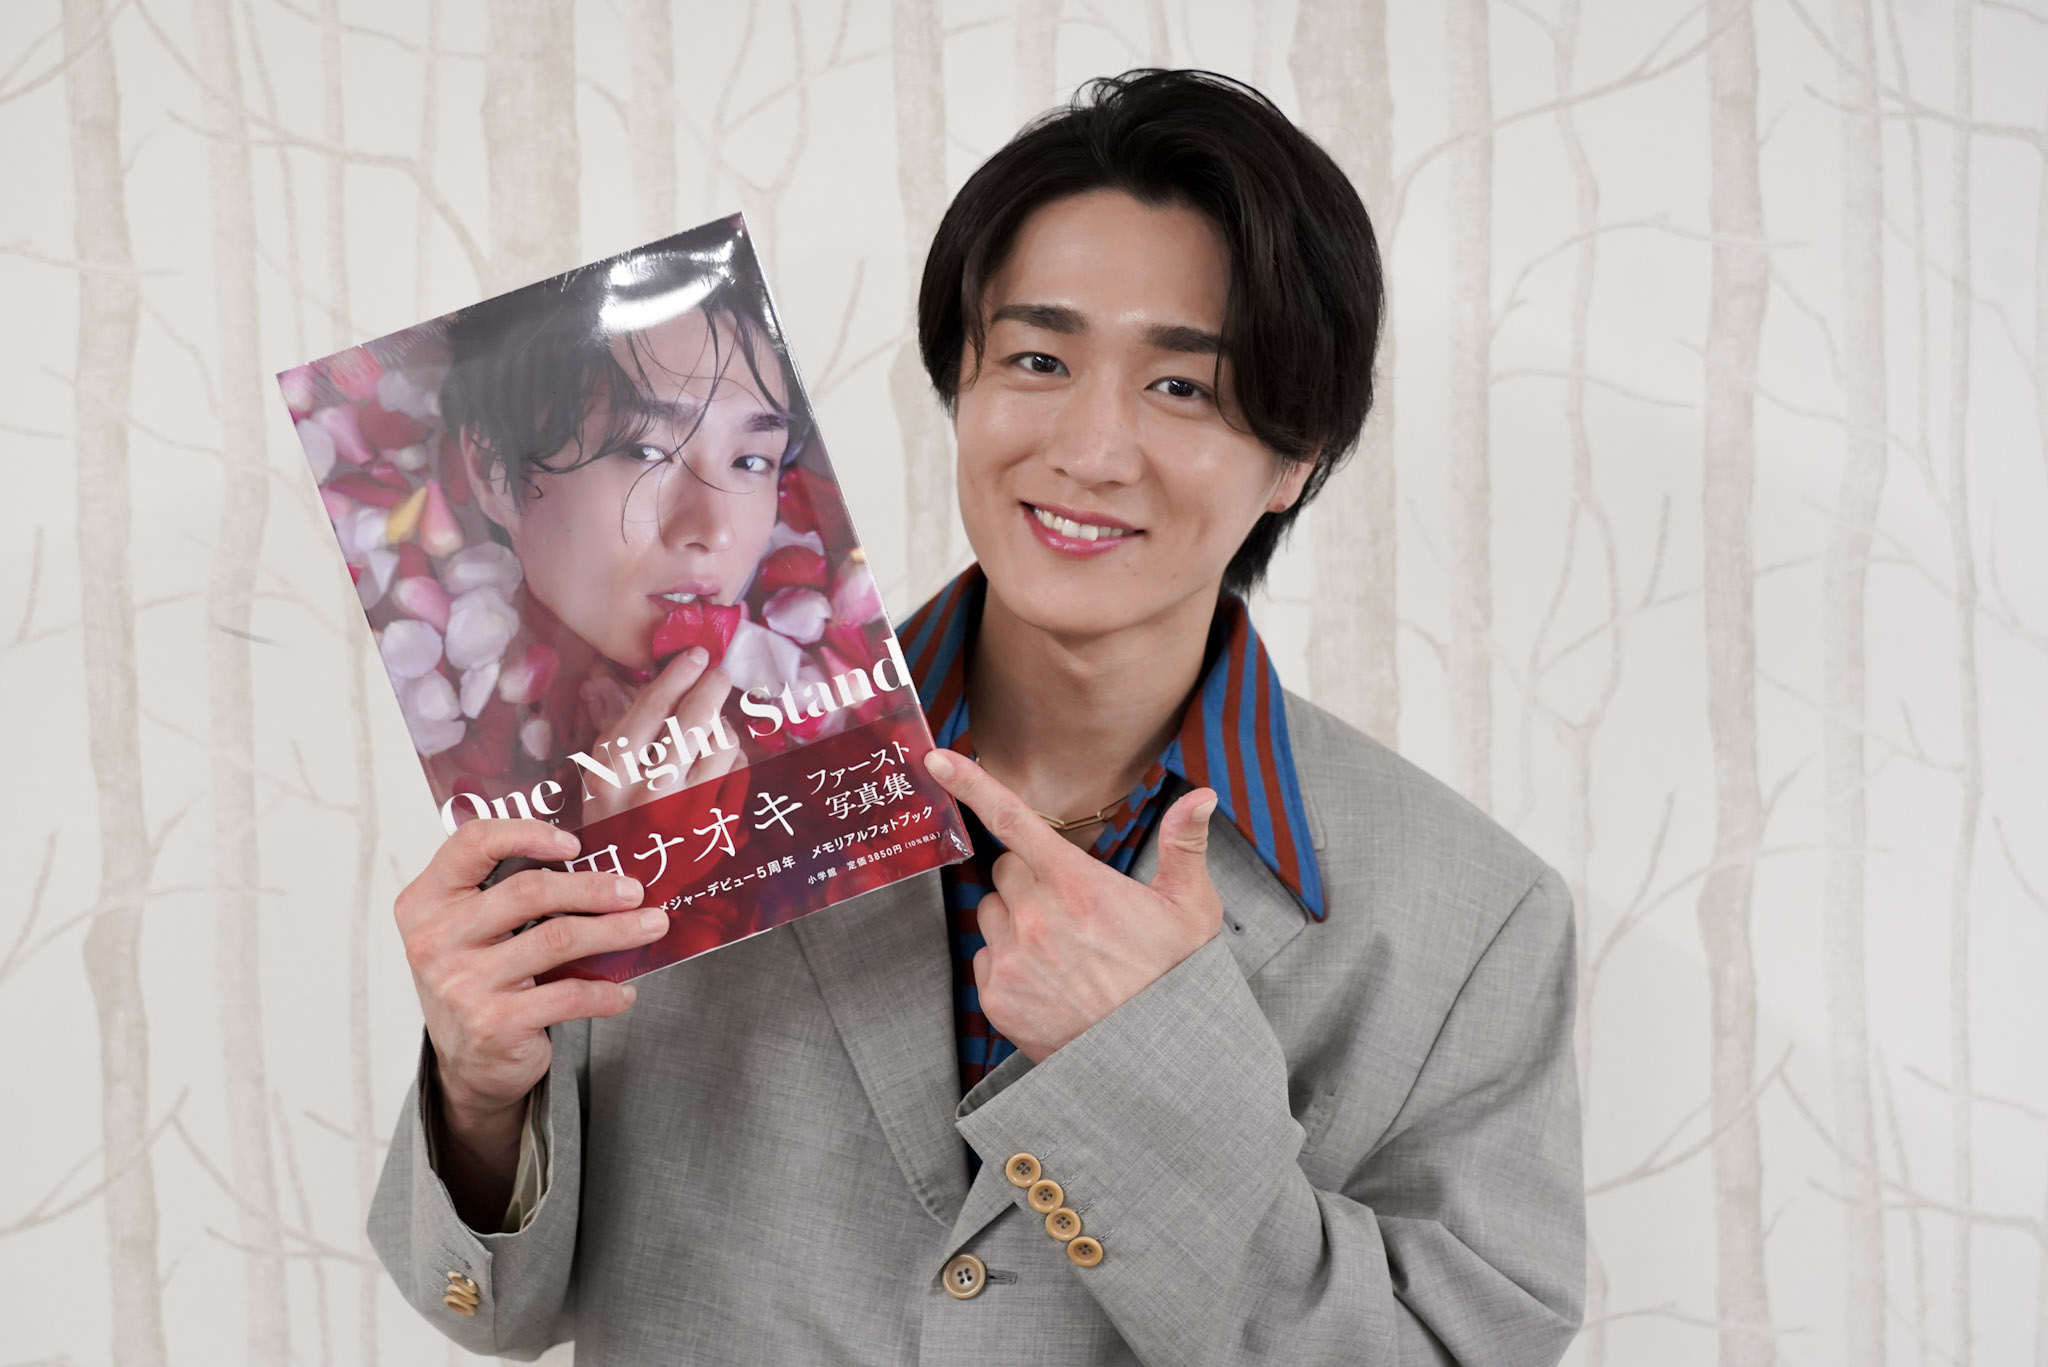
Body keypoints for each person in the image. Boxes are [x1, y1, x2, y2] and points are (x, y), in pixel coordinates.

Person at [370, 69, 1585, 1365]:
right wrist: (478, 1089)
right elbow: (484, 1306)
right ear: (962, 376)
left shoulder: (1475, 917)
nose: (1090, 448)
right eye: (1039, 360)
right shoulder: (653, 773)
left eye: (1183, 386)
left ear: (1297, 455)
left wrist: (1148, 1068)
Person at [431, 250, 814, 825]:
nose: (714, 530)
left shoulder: (843, 719)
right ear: (495, 472)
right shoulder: (432, 761)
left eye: (751, 461)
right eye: (645, 450)